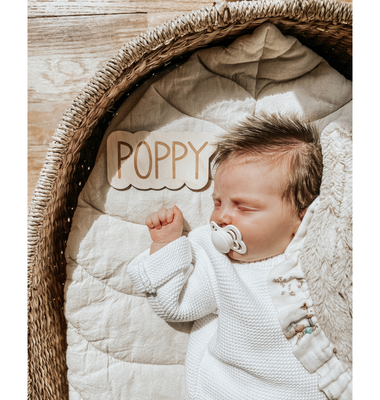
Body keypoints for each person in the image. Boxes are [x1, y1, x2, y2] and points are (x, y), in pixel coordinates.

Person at [127, 113, 328, 399]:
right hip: (234, 389)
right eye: (217, 202)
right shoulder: (218, 262)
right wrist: (167, 245)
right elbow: (176, 304)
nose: (222, 216)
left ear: (302, 218)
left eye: (243, 207)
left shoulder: (324, 256)